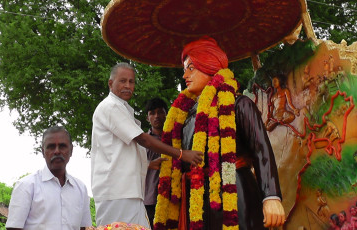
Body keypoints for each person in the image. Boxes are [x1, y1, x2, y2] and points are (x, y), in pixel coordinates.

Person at [153, 37, 285, 230]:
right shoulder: (184, 117)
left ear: (209, 66)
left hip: (236, 192)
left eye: (191, 68)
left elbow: (261, 150)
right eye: (184, 70)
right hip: (195, 199)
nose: (185, 76)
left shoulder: (239, 104)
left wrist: (271, 196)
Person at [91, 62, 203, 228]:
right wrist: (181, 154)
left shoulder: (123, 108)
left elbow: (122, 152)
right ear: (110, 83)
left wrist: (149, 165)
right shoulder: (109, 107)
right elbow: (142, 139)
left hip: (131, 191)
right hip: (117, 193)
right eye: (122, 81)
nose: (128, 86)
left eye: (131, 81)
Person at [6, 126, 92, 230]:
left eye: (62, 146)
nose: (57, 151)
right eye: (51, 147)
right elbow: (14, 227)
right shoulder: (26, 186)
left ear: (71, 150)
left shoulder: (80, 188)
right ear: (43, 152)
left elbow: (84, 227)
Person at [143, 98, 169, 229]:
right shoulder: (143, 141)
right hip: (150, 199)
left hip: (173, 198)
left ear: (166, 114)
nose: (156, 116)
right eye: (152, 113)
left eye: (160, 112)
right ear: (147, 118)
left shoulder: (175, 138)